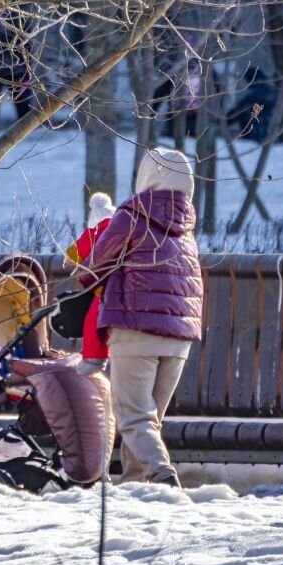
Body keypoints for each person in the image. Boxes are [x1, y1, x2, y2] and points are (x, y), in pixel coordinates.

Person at [78, 148, 203, 487]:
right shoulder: (186, 228)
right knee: (149, 421)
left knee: (133, 416)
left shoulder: (132, 215)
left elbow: (93, 267)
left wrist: (80, 273)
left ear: (148, 177)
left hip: (136, 329)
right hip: (179, 339)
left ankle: (161, 474)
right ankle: (136, 486)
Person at [65, 192, 116, 377]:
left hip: (106, 288)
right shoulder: (127, 229)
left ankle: (94, 359)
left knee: (93, 320)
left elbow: (71, 256)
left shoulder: (96, 230)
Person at [227, 66, 277, 142]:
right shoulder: (271, 92)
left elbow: (238, 111)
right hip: (269, 135)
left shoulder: (254, 95)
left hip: (253, 135)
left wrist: (222, 120)